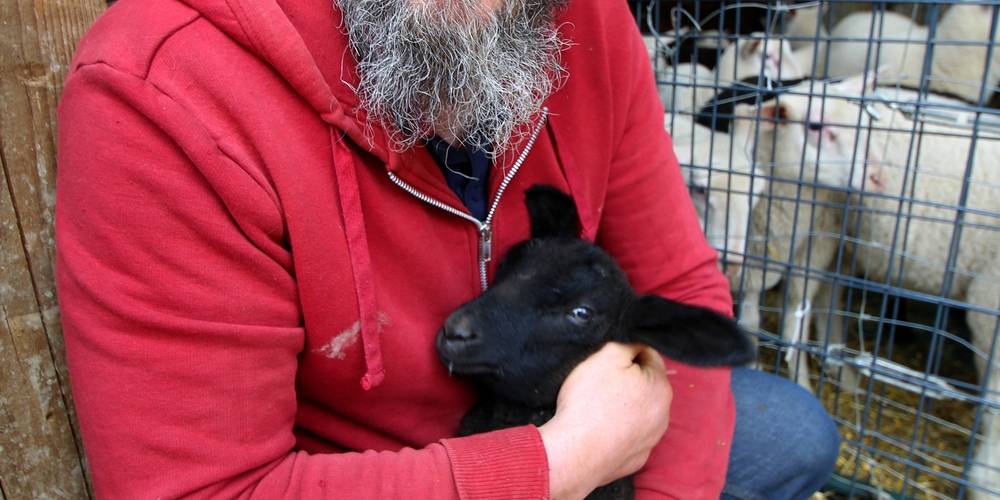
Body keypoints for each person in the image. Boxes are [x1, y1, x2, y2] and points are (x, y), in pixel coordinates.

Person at [55, 0, 839, 498]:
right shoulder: (163, 92)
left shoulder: (587, 23)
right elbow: (204, 491)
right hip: (370, 475)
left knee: (791, 431)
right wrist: (560, 465)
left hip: (555, 414)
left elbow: (679, 281)